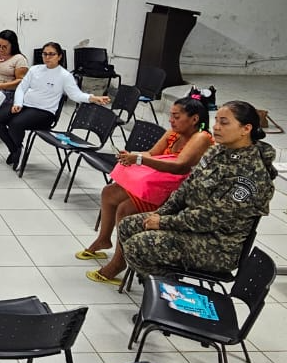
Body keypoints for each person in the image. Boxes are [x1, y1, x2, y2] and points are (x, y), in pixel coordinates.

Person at [119, 100, 277, 277]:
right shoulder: (216, 152)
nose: (216, 127)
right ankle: (159, 283)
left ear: (246, 129)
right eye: (216, 121)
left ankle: (168, 290)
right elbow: (185, 188)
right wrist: (160, 214)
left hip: (216, 245)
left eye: (224, 123)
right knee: (128, 225)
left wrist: (163, 223)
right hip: (190, 226)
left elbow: (211, 217)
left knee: (139, 245)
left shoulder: (250, 174)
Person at [81, 97, 214, 284]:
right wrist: (132, 155)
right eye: (171, 116)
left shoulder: (201, 137)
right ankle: (104, 239)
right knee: (109, 193)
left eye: (176, 116)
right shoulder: (173, 134)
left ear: (194, 119)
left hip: (175, 193)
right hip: (157, 183)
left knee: (125, 210)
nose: (171, 120)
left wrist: (140, 160)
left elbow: (179, 166)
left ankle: (119, 261)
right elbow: (152, 154)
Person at [0, 42, 110, 169]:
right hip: (25, 105)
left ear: (59, 56)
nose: (47, 57)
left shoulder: (64, 76)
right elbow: (21, 88)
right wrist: (18, 103)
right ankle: (16, 150)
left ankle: (17, 150)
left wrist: (92, 98)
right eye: (45, 54)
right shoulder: (35, 69)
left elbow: (76, 95)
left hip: (44, 112)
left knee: (15, 123)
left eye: (51, 54)